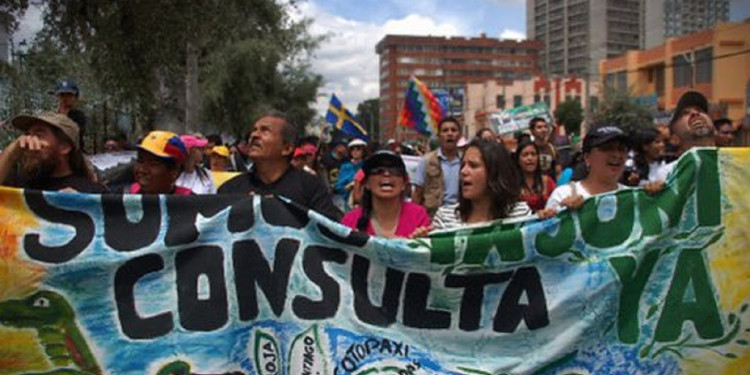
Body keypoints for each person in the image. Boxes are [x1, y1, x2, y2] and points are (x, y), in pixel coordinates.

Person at [217, 110, 341, 220]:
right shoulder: (230, 190)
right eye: (254, 130)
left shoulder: (311, 188)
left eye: (265, 131)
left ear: (287, 148)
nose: (254, 135)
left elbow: (328, 233)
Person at [432, 139, 531, 230]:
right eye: (462, 165)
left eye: (473, 166)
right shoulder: (445, 218)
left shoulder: (520, 215)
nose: (463, 171)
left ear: (494, 172)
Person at [0, 112, 106, 193]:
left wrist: (83, 205)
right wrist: (11, 152)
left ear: (64, 147)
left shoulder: (92, 192)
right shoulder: (20, 186)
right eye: (28, 135)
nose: (29, 141)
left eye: (39, 135)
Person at [542, 125, 630, 217]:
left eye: (622, 149)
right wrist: (562, 213)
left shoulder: (631, 198)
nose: (617, 155)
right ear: (587, 158)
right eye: (607, 148)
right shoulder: (562, 195)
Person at [341, 151, 430, 238]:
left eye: (394, 170)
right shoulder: (351, 220)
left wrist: (420, 242)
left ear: (404, 184)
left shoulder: (418, 215)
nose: (386, 174)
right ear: (367, 183)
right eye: (378, 171)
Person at [412, 116, 462, 218]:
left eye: (453, 130)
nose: (450, 134)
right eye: (445, 130)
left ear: (459, 135)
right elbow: (417, 194)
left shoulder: (466, 161)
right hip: (433, 217)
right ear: (439, 136)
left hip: (461, 216)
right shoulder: (426, 161)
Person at [130, 131, 191, 195]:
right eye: (140, 161)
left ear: (175, 172)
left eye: (153, 164)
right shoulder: (125, 196)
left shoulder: (190, 202)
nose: (142, 170)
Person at [514, 139, 557, 212]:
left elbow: (557, 203)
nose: (530, 158)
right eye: (525, 155)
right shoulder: (512, 183)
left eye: (533, 154)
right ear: (518, 160)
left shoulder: (547, 181)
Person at [51, 79, 88, 153]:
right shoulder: (51, 117)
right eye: (62, 95)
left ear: (75, 98)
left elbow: (73, 134)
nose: (65, 98)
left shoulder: (79, 116)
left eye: (69, 95)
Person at [334, 138, 367, 210]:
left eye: (358, 149)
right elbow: (338, 187)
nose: (355, 152)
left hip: (365, 202)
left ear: (363, 151)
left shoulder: (367, 166)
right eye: (352, 149)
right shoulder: (345, 167)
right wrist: (349, 186)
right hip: (348, 202)